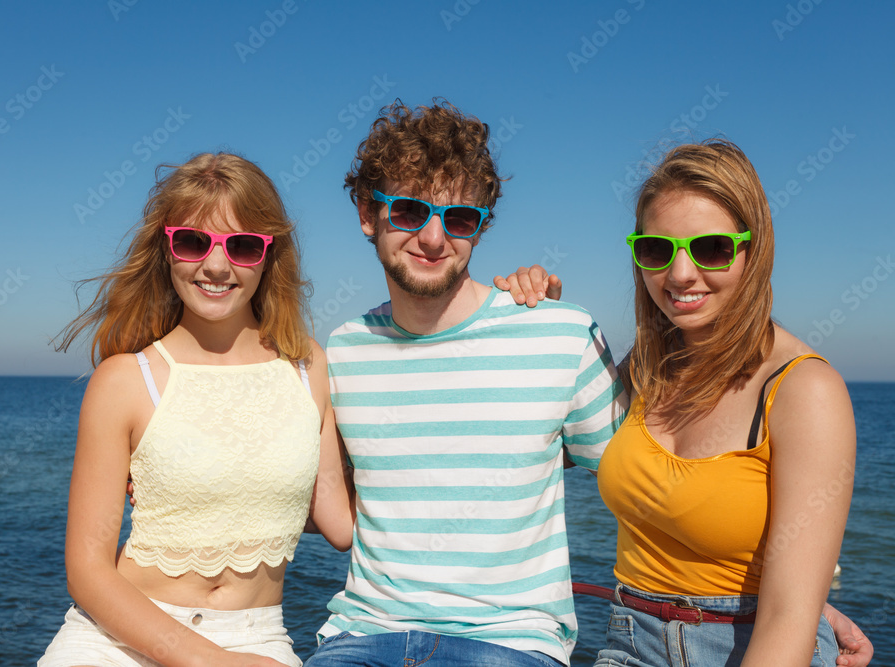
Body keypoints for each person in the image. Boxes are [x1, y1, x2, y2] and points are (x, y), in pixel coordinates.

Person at [500, 140, 868, 666]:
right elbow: (527, 452)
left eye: (711, 248)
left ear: (754, 249)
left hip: (749, 645)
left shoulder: (804, 391)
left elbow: (788, 617)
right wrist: (539, 337)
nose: (679, 275)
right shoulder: (648, 365)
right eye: (656, 249)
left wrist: (812, 610)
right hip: (631, 637)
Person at [303, 100, 628, 666]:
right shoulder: (343, 352)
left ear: (479, 228)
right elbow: (331, 494)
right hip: (361, 636)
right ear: (366, 212)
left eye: (458, 219)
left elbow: (653, 488)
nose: (433, 238)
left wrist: (774, 594)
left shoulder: (560, 334)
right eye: (408, 210)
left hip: (509, 643)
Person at [40, 152, 354, 667]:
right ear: (166, 249)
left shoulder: (308, 367)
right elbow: (87, 570)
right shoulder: (123, 380)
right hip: (119, 641)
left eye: (243, 245)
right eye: (192, 241)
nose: (215, 265)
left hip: (255, 640)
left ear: (270, 254)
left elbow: (339, 522)